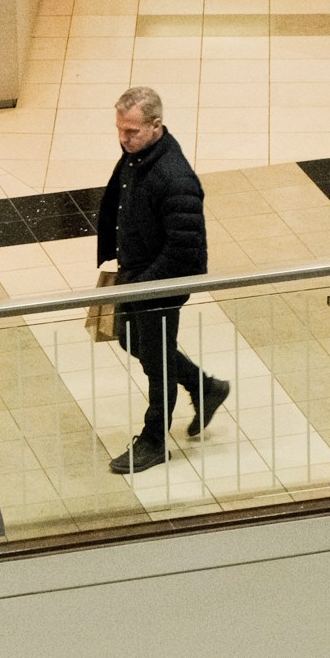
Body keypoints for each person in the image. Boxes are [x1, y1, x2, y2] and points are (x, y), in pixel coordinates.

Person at [96, 86, 231, 474]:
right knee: (129, 337)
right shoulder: (138, 156)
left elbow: (183, 251)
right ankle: (204, 387)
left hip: (160, 283)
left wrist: (145, 288)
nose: (124, 138)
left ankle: (154, 441)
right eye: (120, 130)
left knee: (156, 362)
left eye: (132, 131)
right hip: (137, 275)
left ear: (156, 126)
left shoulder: (175, 177)